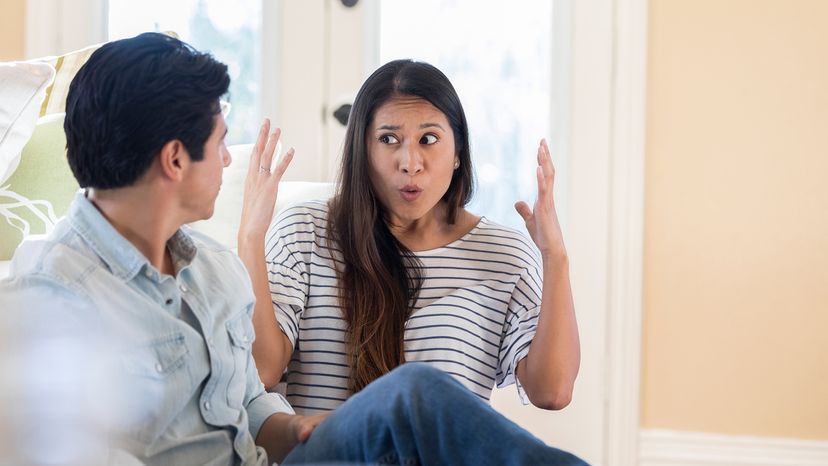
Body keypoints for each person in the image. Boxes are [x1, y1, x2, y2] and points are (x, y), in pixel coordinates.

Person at [0, 33, 587, 465]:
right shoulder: (48, 298)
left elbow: (251, 402)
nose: (230, 159)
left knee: (410, 400)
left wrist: (306, 429)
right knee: (413, 394)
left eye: (429, 140)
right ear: (176, 158)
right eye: (221, 141)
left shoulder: (211, 274)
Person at [246, 59, 581, 415]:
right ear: (363, 149)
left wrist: (555, 257)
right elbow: (260, 371)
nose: (410, 162)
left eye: (429, 139)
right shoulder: (304, 232)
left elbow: (553, 391)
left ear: (457, 153)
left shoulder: (504, 255)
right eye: (388, 139)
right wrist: (251, 236)